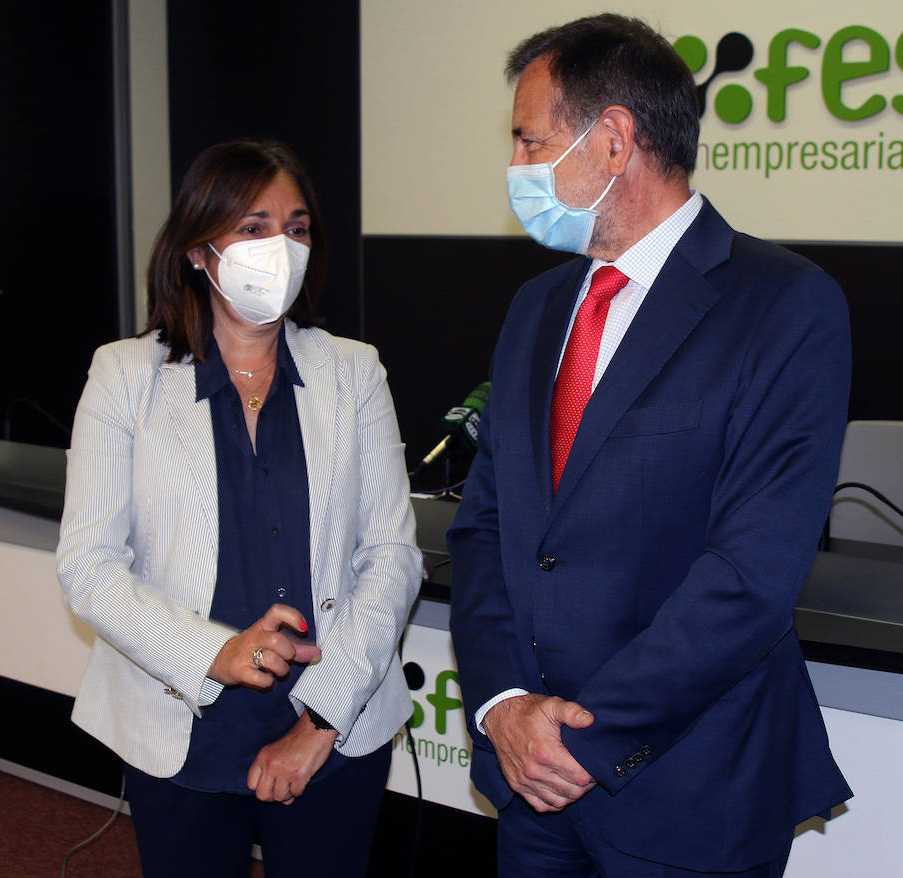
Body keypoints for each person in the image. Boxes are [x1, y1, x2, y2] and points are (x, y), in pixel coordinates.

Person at [447, 15, 853, 877]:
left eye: (530, 139)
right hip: (531, 788)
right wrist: (506, 707)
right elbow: (485, 530)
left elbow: (750, 579)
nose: (517, 166)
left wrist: (584, 743)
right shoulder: (535, 310)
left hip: (688, 793)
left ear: (616, 141)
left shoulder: (785, 307)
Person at [57, 140, 421, 877]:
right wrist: (214, 652)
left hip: (332, 718)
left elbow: (392, 555)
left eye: (297, 227)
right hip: (182, 717)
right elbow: (88, 566)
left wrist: (320, 716)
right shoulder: (125, 375)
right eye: (253, 228)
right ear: (198, 248)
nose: (279, 249)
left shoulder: (354, 371)